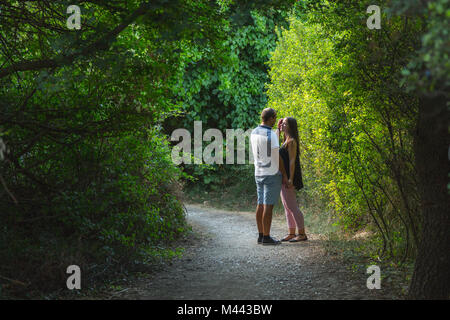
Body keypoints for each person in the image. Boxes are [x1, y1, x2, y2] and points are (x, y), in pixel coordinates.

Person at [250, 108, 288, 245]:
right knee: (268, 206)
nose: (275, 119)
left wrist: (277, 131)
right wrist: (284, 174)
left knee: (260, 203)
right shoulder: (270, 134)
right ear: (271, 118)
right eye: (275, 117)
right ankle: (267, 237)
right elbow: (276, 157)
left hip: (258, 172)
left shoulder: (254, 132)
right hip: (271, 174)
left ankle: (261, 235)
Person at [277, 117, 307, 242]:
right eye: (282, 124)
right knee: (286, 206)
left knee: (292, 206)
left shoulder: (292, 141)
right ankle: (291, 232)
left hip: (289, 177)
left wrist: (290, 179)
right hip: (283, 177)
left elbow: (292, 161)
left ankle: (302, 233)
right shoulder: (285, 140)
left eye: (284, 124)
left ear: (290, 126)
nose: (282, 125)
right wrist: (278, 129)